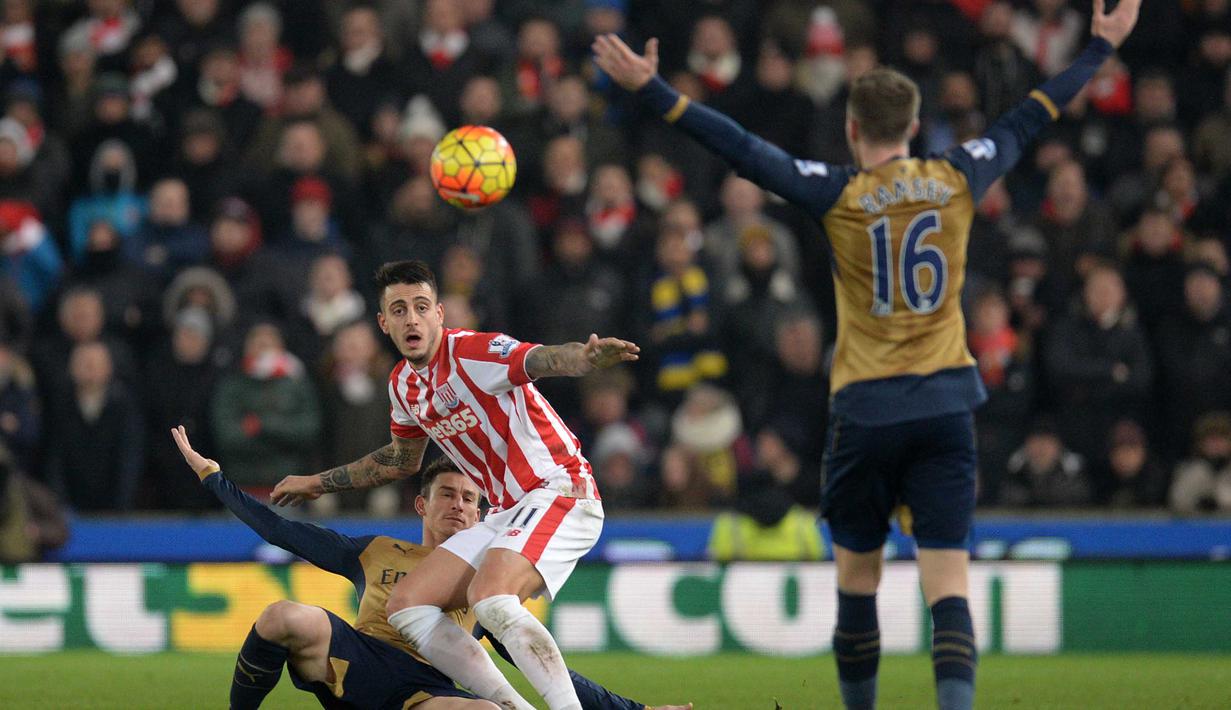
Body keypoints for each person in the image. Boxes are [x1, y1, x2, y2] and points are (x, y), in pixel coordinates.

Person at [593, 2, 1140, 709]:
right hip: (946, 406)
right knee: (947, 584)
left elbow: (741, 149)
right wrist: (1099, 50)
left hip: (865, 411)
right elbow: (1032, 114)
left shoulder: (836, 192)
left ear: (852, 130)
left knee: (857, 581)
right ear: (912, 127)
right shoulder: (956, 176)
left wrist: (654, 92)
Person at [270, 260, 639, 710]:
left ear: (439, 314)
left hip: (560, 490)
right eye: (400, 310)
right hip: (507, 511)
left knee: (491, 598)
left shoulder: (472, 352)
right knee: (406, 605)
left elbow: (536, 359)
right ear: (384, 323)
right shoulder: (404, 386)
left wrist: (580, 359)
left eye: (421, 307)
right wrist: (318, 483)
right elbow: (400, 460)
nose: (412, 318)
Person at [171, 426, 687, 710]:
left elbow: (549, 669)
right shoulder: (374, 550)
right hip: (360, 660)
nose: (459, 506)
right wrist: (215, 480)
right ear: (422, 505)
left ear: (484, 514)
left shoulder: (487, 581)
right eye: (447, 494)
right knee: (283, 615)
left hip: (427, 692)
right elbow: (282, 531)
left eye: (470, 499)